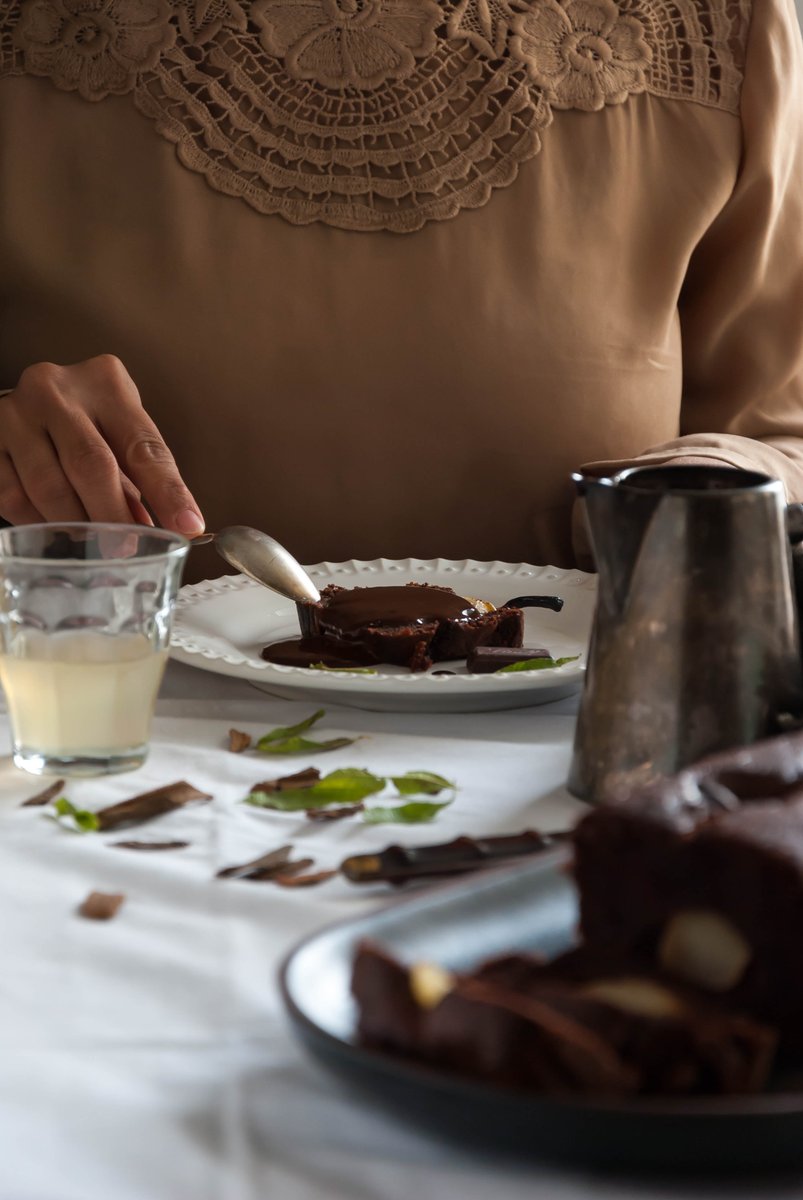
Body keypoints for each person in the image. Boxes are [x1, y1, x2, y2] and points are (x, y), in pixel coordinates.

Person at [0, 0, 802, 582]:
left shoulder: (722, 27)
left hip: (579, 747)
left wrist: (708, 491)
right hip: (89, 732)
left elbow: (780, 434)